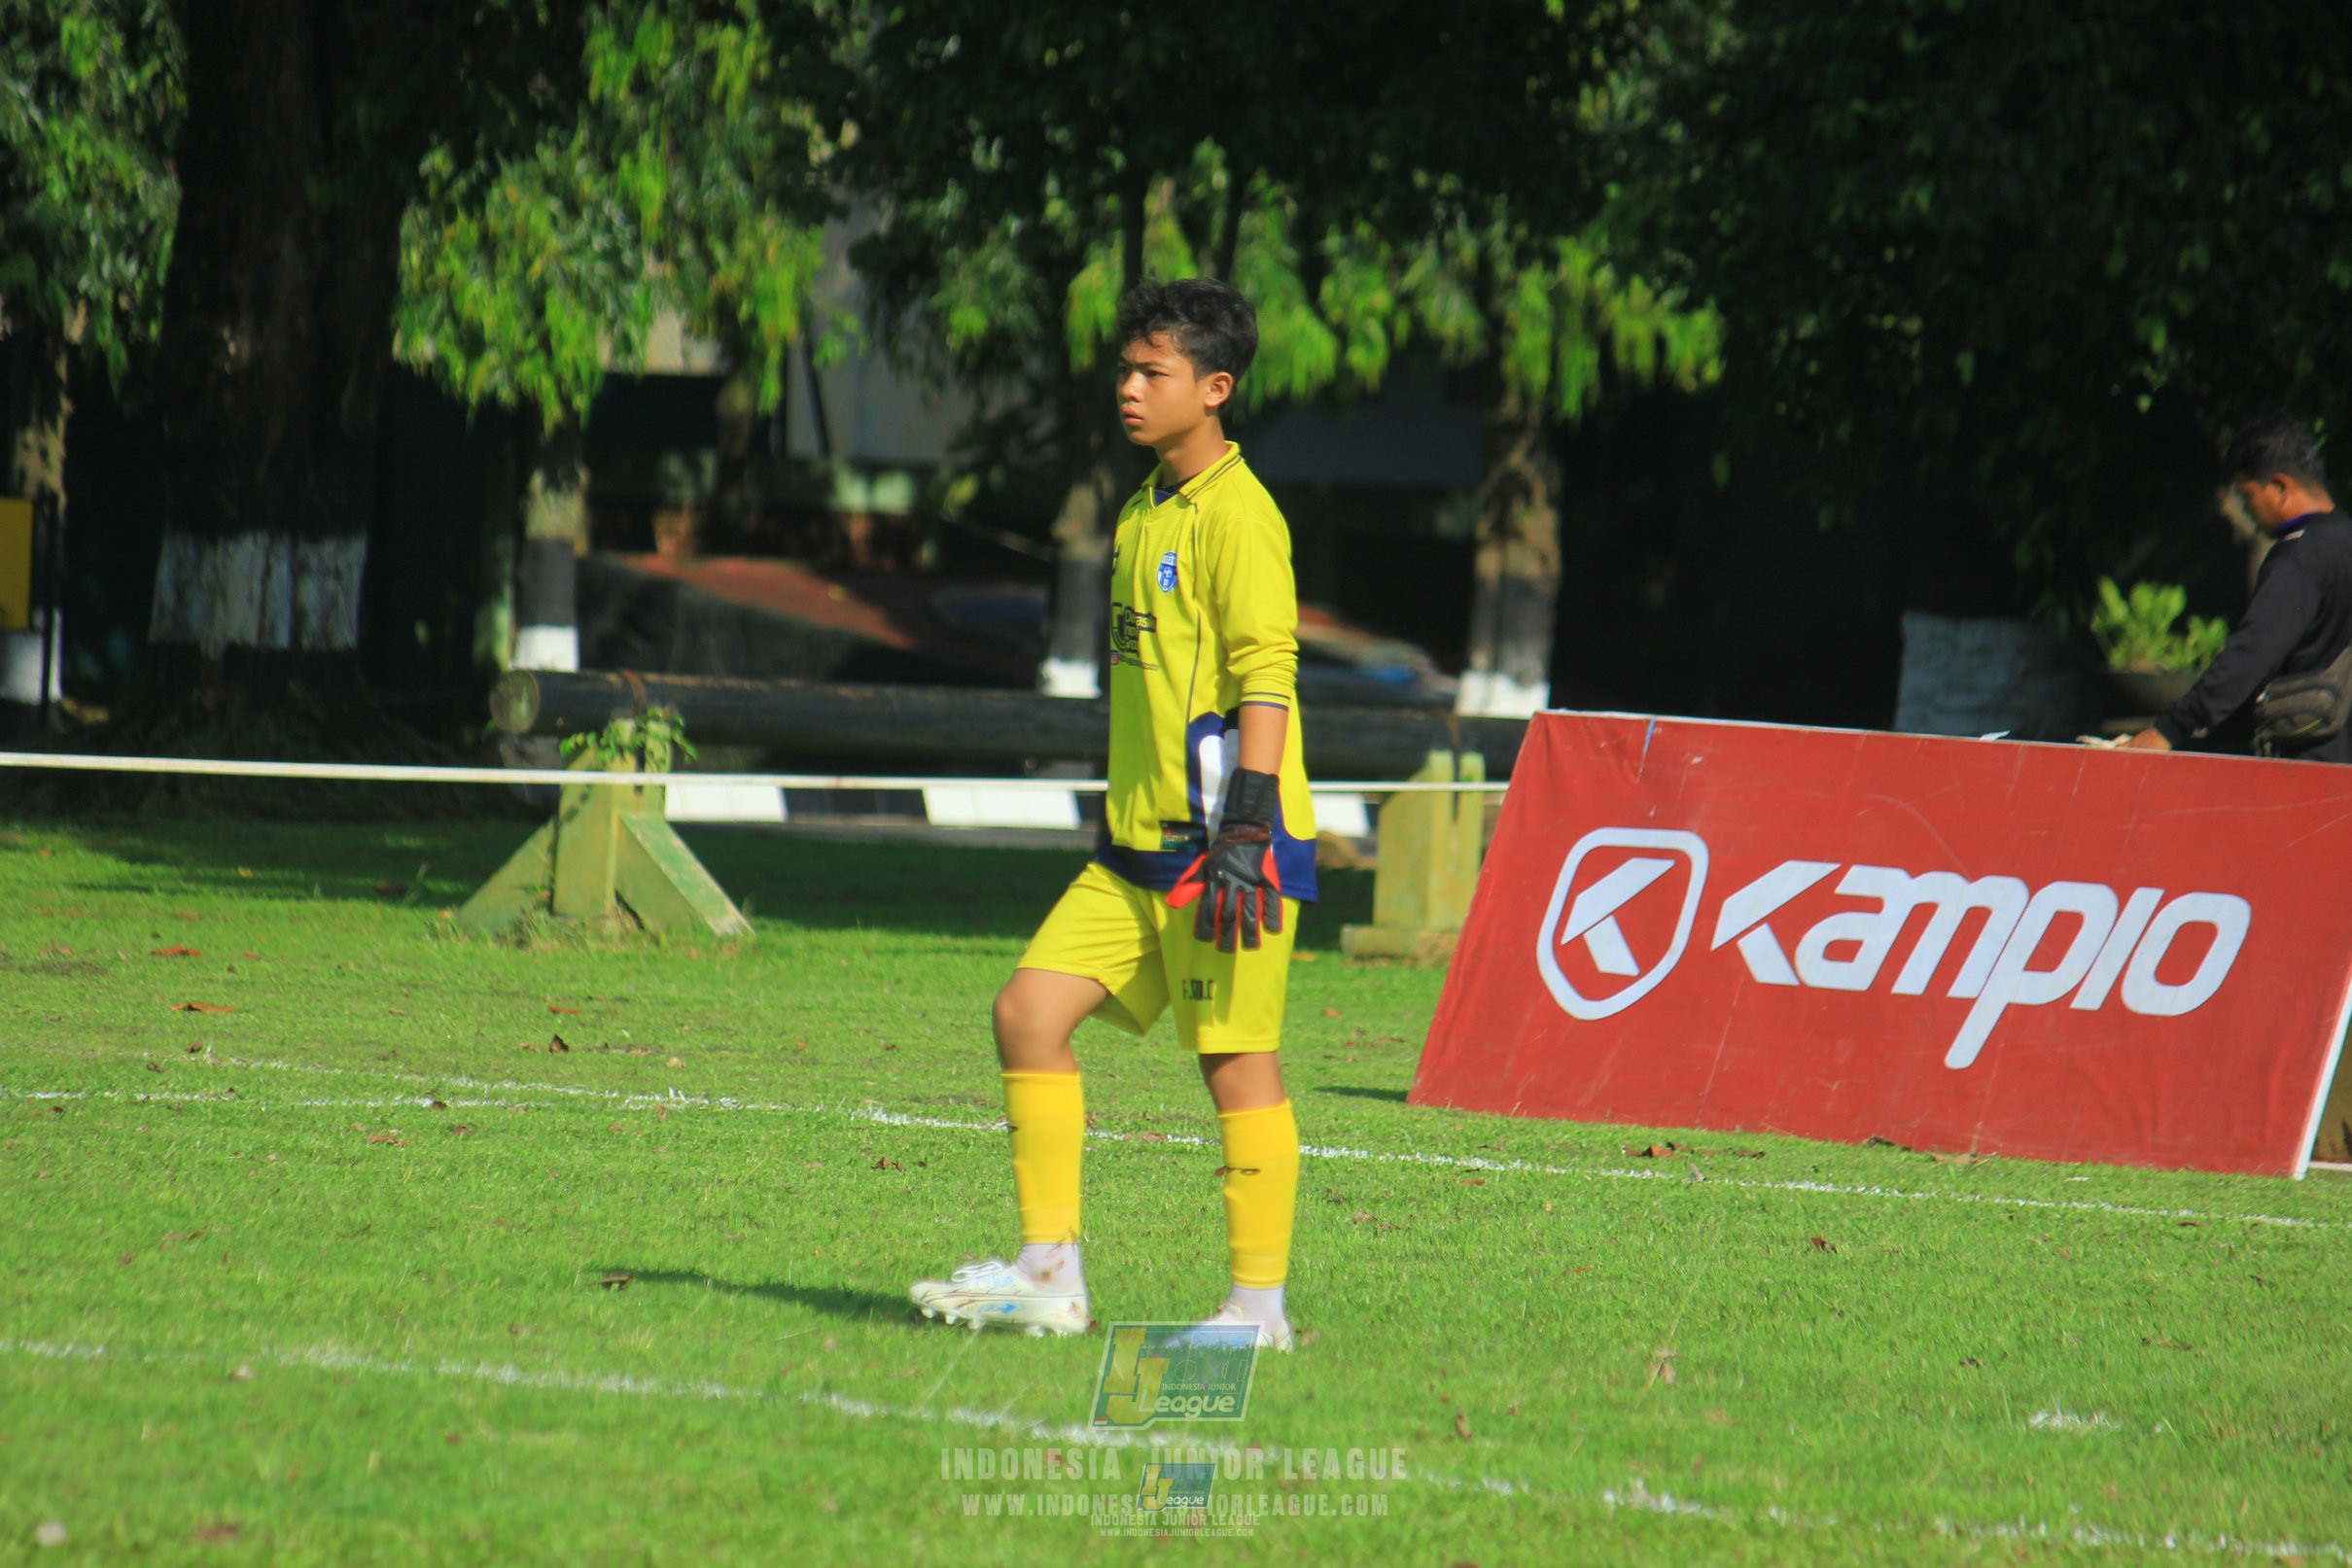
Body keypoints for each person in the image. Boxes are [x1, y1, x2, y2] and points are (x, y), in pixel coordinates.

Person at [908, 279, 1317, 1350]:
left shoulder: (1241, 514)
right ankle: (1049, 1276)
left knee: (1235, 1064)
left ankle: (1256, 1312)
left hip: (1225, 851)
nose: (1128, 389)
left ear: (1214, 388)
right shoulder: (1144, 507)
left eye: (1154, 373)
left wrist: (1246, 829)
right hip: (1133, 851)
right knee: (1027, 1014)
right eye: (1126, 369)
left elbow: (1265, 677)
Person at [2122, 413, 2352, 761]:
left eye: (2247, 496)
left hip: (2312, 761)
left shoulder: (2299, 557)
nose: (2247, 510)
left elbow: (2253, 652)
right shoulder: (2343, 539)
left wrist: (2171, 728)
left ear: (2279, 487)